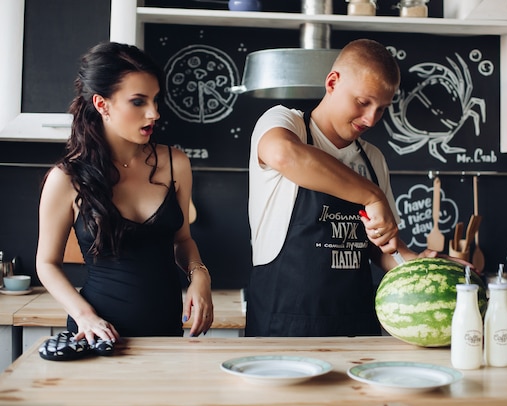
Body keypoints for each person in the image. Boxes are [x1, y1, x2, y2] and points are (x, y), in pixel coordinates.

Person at [246, 38, 440, 337]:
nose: (371, 119)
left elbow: (383, 250)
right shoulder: (286, 124)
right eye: (363, 102)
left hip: (356, 324)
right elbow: (285, 154)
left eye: (381, 108)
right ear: (333, 82)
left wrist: (424, 266)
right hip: (283, 323)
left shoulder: (373, 159)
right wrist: (371, 195)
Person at [36, 42, 214, 345]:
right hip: (99, 336)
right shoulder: (66, 178)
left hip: (167, 336)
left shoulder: (175, 164)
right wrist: (84, 315)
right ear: (102, 104)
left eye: (156, 100)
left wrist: (200, 275)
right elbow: (47, 263)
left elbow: (182, 240)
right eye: (138, 101)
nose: (154, 113)